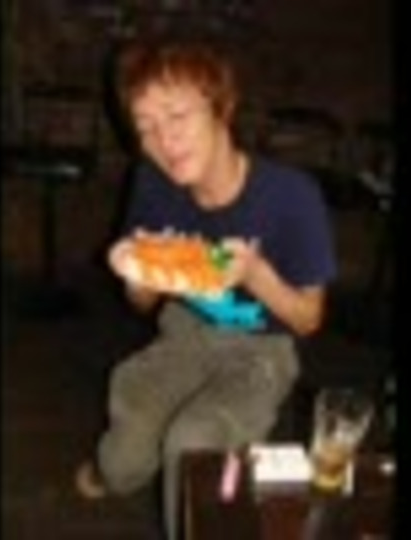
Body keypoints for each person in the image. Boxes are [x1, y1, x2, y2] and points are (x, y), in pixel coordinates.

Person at [75, 34, 338, 540]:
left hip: (263, 349)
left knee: (192, 445)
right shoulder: (153, 182)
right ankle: (112, 472)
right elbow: (143, 303)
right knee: (125, 457)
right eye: (146, 127)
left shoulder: (292, 196)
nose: (164, 141)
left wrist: (255, 273)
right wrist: (141, 277)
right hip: (185, 329)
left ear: (223, 108)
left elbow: (308, 319)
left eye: (177, 116)